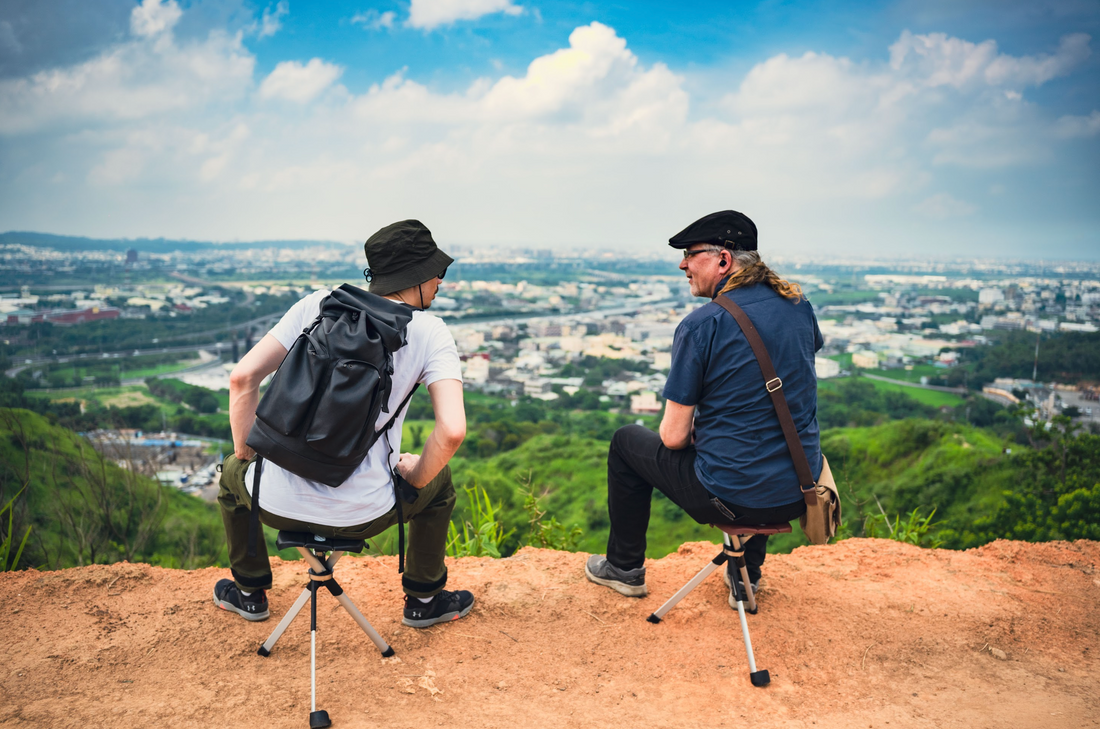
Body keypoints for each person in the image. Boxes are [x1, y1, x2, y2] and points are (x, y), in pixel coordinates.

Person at [213, 219, 474, 629]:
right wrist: (415, 478)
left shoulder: (317, 304)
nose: (441, 281)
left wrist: (249, 460)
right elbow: (453, 431)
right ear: (419, 275)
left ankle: (249, 593)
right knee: (437, 483)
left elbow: (242, 379)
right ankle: (424, 600)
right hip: (364, 512)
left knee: (231, 474)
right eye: (437, 272)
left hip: (274, 504)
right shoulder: (429, 332)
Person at [585, 210, 822, 604]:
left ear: (723, 260)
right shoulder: (799, 306)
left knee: (626, 441)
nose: (683, 264)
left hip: (733, 499)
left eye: (691, 254)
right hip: (797, 490)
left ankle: (624, 568)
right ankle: (745, 577)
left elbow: (674, 438)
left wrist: (703, 430)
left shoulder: (702, 325)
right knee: (761, 440)